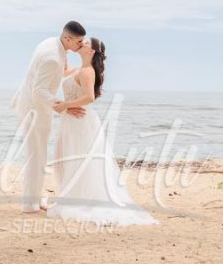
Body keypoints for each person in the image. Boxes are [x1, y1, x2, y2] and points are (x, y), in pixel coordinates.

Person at [47, 38, 158, 227]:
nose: (82, 43)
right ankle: (72, 194)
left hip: (81, 121)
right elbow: (63, 72)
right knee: (67, 158)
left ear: (92, 52)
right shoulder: (76, 70)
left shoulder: (87, 72)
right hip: (71, 120)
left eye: (87, 42)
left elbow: (89, 97)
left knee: (81, 160)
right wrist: (63, 48)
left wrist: (65, 105)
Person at [11, 21, 88, 213]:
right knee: (36, 157)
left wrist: (83, 70)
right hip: (34, 110)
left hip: (30, 105)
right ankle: (30, 204)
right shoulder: (53, 57)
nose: (81, 45)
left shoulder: (52, 43)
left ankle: (34, 200)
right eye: (78, 42)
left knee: (38, 156)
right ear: (67, 38)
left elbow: (59, 73)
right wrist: (63, 107)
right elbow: (39, 92)